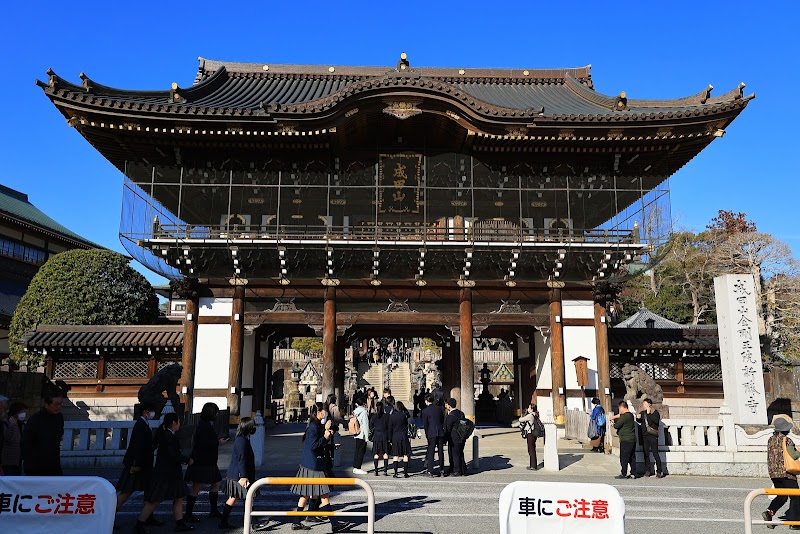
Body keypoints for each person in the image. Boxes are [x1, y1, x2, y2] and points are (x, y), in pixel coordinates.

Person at [136, 413, 194, 533]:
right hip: (167, 473)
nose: (179, 424)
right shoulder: (169, 436)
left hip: (167, 472)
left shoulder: (164, 434)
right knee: (155, 500)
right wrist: (187, 460)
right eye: (178, 422)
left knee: (177, 497)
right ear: (174, 423)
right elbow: (173, 455)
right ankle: (139, 524)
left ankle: (180, 522)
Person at [290, 402, 336, 532]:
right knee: (323, 494)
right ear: (319, 412)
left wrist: (328, 437)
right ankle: (335, 524)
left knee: (307, 495)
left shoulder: (315, 425)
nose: (326, 413)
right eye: (324, 411)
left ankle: (297, 521)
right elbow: (314, 446)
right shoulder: (313, 427)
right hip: (314, 466)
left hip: (310, 464)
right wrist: (326, 436)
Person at [115, 402, 160, 529]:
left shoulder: (143, 424)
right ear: (146, 412)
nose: (152, 415)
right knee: (127, 491)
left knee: (147, 490)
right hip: (137, 464)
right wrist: (136, 464)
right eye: (151, 412)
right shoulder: (141, 425)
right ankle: (110, 515)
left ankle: (148, 516)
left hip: (142, 464)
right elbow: (138, 447)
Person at [185, 403, 227, 522]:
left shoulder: (205, 424)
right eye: (216, 412)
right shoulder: (203, 426)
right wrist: (217, 442)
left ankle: (213, 510)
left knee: (216, 482)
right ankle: (188, 513)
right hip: (202, 461)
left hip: (208, 461)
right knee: (197, 487)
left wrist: (217, 442)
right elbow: (204, 444)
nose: (217, 414)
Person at [219, 417, 257, 530]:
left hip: (236, 474)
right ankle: (251, 521)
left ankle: (226, 521)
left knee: (239, 497)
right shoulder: (241, 440)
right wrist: (244, 476)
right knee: (245, 496)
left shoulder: (243, 438)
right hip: (239, 475)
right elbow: (241, 459)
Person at [763, 415, 800, 530]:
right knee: (796, 496)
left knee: (782, 496)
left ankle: (769, 513)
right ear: (785, 429)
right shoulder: (787, 440)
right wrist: (798, 450)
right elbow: (793, 455)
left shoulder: (771, 440)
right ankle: (795, 522)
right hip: (786, 473)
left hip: (774, 473)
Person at [21, 389, 64, 476]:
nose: (58, 407)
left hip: (53, 462)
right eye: (55, 404)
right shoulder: (35, 419)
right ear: (46, 404)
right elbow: (26, 442)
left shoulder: (59, 417)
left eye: (60, 404)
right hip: (35, 464)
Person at [611, 401, 637, 479]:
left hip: (626, 439)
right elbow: (621, 415)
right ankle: (633, 473)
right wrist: (614, 417)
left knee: (624, 457)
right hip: (632, 439)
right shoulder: (630, 415)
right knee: (632, 457)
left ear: (622, 407)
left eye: (619, 408)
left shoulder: (624, 416)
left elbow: (617, 425)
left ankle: (624, 473)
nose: (619, 410)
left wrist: (613, 424)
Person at [638, 398, 664, 478]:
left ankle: (659, 471)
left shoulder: (655, 413)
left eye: (645, 404)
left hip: (652, 436)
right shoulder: (643, 413)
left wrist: (649, 414)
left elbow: (656, 421)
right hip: (645, 436)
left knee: (655, 453)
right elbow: (640, 422)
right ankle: (648, 470)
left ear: (649, 404)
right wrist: (638, 418)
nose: (644, 406)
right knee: (646, 454)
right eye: (643, 404)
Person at [421, 393, 445, 477]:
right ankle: (441, 469)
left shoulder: (425, 411)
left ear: (426, 401)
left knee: (431, 452)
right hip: (440, 431)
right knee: (440, 451)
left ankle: (430, 470)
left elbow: (425, 424)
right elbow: (442, 420)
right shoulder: (439, 409)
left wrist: (427, 434)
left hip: (431, 432)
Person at [1, 401, 27, 475]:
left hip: (18, 459)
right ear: (16, 412)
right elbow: (9, 438)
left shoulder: (22, 425)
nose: (24, 414)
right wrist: (13, 425)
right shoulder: (7, 424)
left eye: (25, 412)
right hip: (8, 461)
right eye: (22, 412)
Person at [388, 400, 411, 478]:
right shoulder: (404, 415)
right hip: (404, 436)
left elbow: (390, 428)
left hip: (395, 436)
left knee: (396, 455)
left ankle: (395, 472)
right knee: (405, 454)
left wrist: (390, 439)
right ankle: (405, 473)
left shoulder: (392, 416)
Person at [444, 398, 467, 477]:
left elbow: (448, 428)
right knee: (460, 452)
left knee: (454, 453)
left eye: (446, 404)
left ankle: (457, 470)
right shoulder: (461, 413)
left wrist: (445, 438)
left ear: (449, 406)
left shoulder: (451, 416)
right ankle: (463, 469)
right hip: (462, 436)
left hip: (454, 437)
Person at [351, 394, 370, 475]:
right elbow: (365, 425)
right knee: (361, 451)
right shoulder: (364, 412)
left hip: (356, 433)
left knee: (357, 450)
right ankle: (358, 467)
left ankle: (355, 466)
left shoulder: (355, 411)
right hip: (362, 434)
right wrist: (367, 437)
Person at [518, 403, 541, 471]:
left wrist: (525, 413)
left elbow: (520, 419)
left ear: (531, 409)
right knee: (533, 449)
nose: (528, 409)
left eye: (529, 407)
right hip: (533, 434)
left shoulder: (530, 416)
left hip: (530, 434)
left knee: (531, 450)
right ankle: (533, 465)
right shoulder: (535, 415)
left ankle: (533, 466)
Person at [370, 402, 390, 476]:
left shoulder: (374, 417)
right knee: (385, 453)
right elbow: (389, 426)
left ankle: (376, 470)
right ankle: (385, 471)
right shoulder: (386, 416)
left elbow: (371, 427)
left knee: (376, 453)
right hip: (384, 435)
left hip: (376, 436)